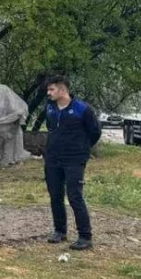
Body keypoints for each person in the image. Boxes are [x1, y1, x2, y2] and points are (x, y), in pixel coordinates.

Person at [43, 75, 101, 250]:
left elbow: (95, 132)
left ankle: (85, 236)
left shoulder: (83, 109)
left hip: (74, 159)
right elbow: (51, 128)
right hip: (53, 159)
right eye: (48, 89)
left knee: (75, 196)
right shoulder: (50, 108)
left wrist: (82, 148)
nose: (48, 93)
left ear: (63, 90)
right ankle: (60, 231)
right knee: (55, 195)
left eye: (52, 89)